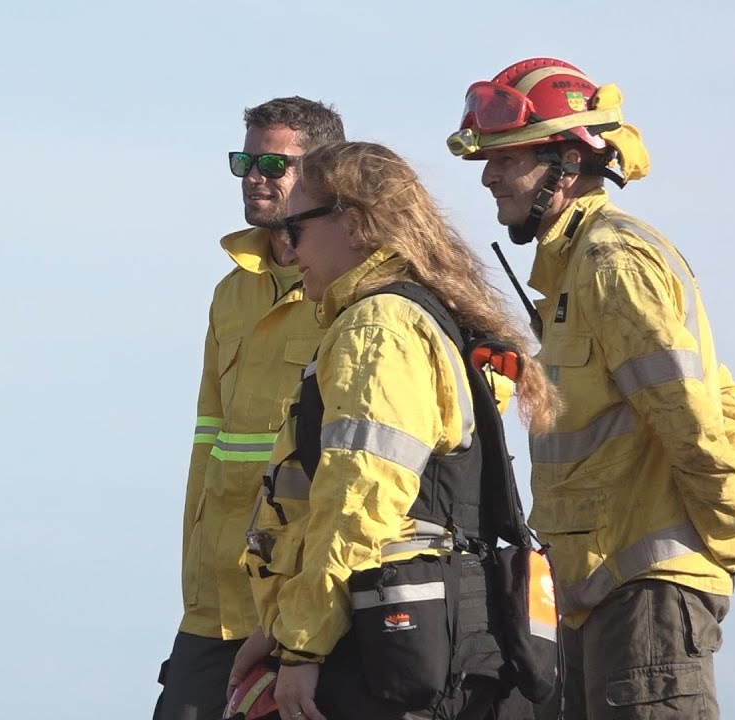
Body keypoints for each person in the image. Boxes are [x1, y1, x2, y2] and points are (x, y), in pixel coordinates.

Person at [446, 56, 735, 719]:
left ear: (567, 165)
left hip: (648, 589)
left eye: (508, 157)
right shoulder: (573, 270)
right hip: (599, 592)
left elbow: (689, 413)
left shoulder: (610, 261)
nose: (488, 175)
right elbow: (722, 397)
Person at [231, 140, 558, 720]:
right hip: (437, 648)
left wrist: (303, 645)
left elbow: (359, 503)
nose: (286, 247)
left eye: (296, 228)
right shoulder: (424, 317)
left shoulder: (378, 329)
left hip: (386, 658)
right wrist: (279, 630)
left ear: (354, 223)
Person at [155, 97, 345, 720]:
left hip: (300, 602)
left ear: (323, 174)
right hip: (214, 604)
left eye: (273, 162)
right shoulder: (231, 291)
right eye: (245, 160)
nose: (254, 176)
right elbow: (207, 447)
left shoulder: (352, 288)